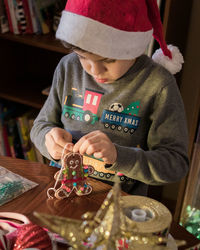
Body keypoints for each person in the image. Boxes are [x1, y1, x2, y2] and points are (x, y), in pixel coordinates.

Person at [30, 0, 189, 195]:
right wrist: (48, 139)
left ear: (134, 47)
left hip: (120, 207)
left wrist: (118, 156)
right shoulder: (68, 66)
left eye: (108, 60)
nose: (94, 70)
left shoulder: (157, 84)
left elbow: (175, 164)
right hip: (62, 193)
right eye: (82, 56)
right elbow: (40, 125)